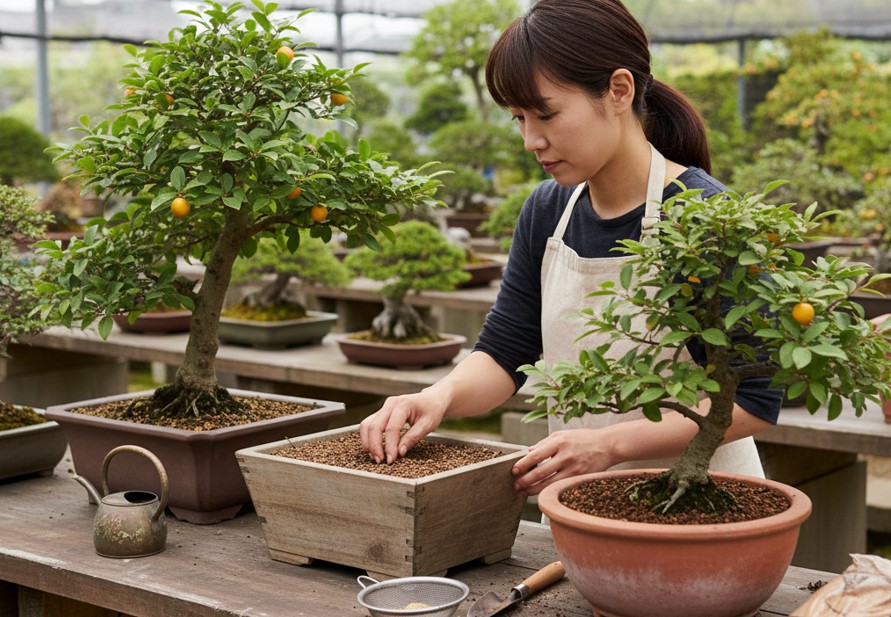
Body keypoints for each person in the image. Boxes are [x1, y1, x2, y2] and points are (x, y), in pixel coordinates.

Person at [360, 0, 783, 497]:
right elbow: (505, 351)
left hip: (701, 502)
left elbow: (756, 397)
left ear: (619, 90)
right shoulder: (547, 210)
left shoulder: (703, 216)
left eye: (546, 114)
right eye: (518, 118)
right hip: (582, 500)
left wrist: (611, 443)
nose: (530, 140)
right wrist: (438, 395)